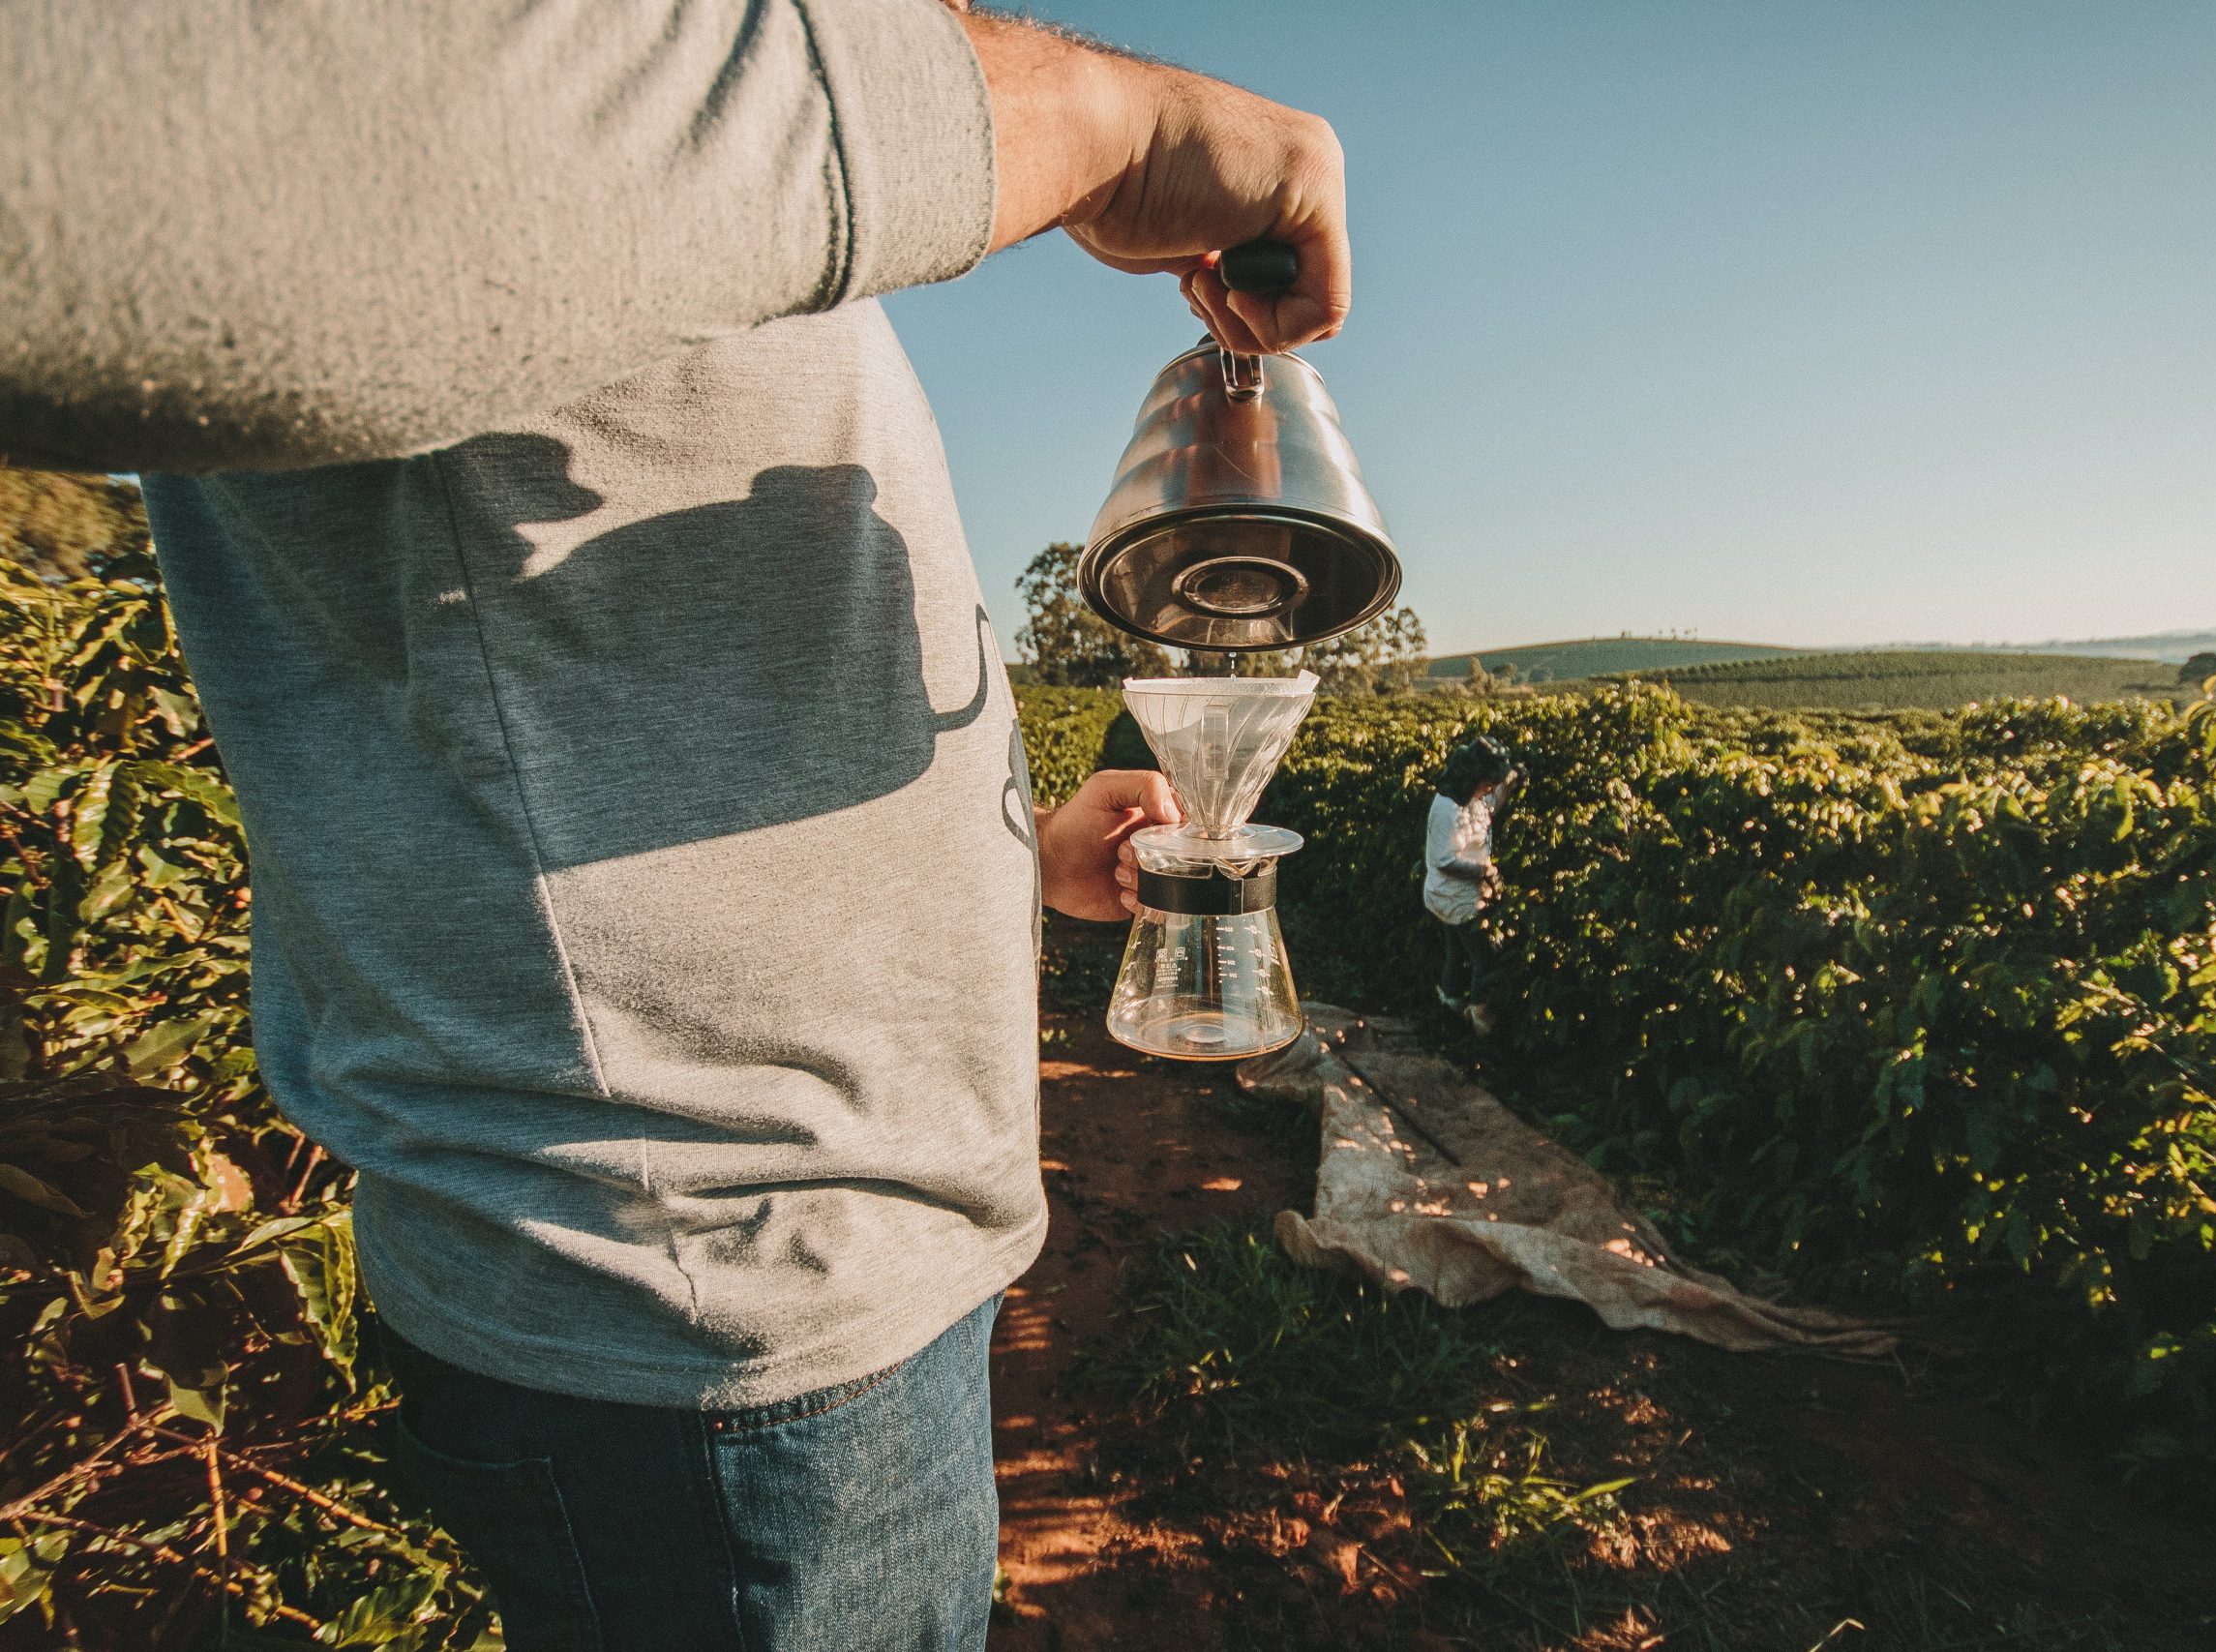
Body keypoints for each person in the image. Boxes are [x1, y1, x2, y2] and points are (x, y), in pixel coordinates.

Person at [2, 4, 1349, 1647]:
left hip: (802, 1292)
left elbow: (639, 678)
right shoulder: (540, 82)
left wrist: (1003, 857)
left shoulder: (660, 121)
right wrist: (1106, 122)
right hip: (700, 1306)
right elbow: (109, 162)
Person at [1424, 737, 1516, 1035]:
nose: (1489, 789)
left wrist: (1510, 783)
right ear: (1474, 778)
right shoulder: (1448, 809)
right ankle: (1481, 1025)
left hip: (1454, 896)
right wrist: (1484, 870)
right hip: (1456, 898)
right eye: (1488, 783)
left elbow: (1488, 809)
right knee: (1485, 959)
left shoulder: (1470, 798)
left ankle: (1449, 1010)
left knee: (1457, 952)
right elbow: (1443, 859)